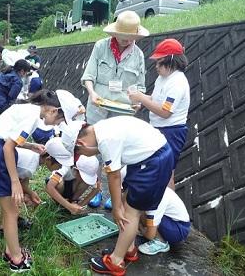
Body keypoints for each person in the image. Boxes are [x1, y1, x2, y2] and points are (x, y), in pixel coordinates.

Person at [0, 89, 66, 272]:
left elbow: (9, 137)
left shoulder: (28, 109)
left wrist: (31, 145)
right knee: (12, 211)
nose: (54, 123)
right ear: (53, 110)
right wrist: (15, 182)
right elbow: (8, 147)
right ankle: (16, 259)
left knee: (9, 207)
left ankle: (11, 246)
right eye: (58, 120)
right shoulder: (32, 116)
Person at [74, 116, 174, 275]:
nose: (87, 155)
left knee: (130, 213)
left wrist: (116, 208)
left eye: (81, 153)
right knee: (128, 205)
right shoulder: (101, 128)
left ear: (80, 144)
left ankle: (115, 261)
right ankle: (129, 248)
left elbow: (113, 176)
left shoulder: (106, 139)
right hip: (147, 158)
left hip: (153, 162)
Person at [81, 10, 149, 209]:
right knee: (95, 152)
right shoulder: (100, 47)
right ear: (114, 33)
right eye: (123, 37)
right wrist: (92, 93)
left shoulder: (139, 55)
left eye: (131, 38)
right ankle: (96, 189)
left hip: (122, 112)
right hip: (98, 108)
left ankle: (115, 194)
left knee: (120, 153)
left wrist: (139, 102)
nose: (126, 41)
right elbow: (88, 76)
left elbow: (141, 87)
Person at [128, 38, 190, 189]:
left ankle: (168, 209)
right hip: (157, 127)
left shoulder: (178, 83)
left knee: (167, 172)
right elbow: (155, 100)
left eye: (159, 62)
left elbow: (165, 112)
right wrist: (141, 102)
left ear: (171, 61)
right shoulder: (163, 77)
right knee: (155, 168)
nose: (156, 66)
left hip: (171, 131)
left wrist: (141, 97)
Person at [44, 137, 101, 215]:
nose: (83, 178)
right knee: (58, 184)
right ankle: (60, 202)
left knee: (85, 182)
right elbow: (50, 187)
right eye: (82, 175)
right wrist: (68, 206)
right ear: (76, 169)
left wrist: (79, 206)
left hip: (72, 186)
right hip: (62, 184)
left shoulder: (90, 167)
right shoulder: (65, 166)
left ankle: (73, 200)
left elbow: (97, 189)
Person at [0, 59, 31, 139]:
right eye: (26, 72)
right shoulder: (17, 80)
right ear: (22, 71)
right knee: (7, 124)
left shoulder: (5, 72)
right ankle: (4, 145)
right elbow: (11, 98)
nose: (25, 75)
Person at [138, 186, 190, 255]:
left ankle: (161, 242)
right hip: (173, 222)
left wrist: (141, 228)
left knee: (149, 219)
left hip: (179, 229)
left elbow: (150, 235)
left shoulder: (157, 198)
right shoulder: (156, 188)